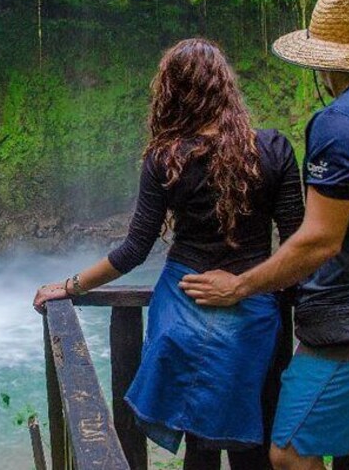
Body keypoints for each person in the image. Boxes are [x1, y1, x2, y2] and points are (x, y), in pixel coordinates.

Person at [179, 0, 349, 470]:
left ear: (321, 59)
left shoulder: (339, 123)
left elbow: (319, 239)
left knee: (290, 454)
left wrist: (241, 285)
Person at [33, 38, 304, 469]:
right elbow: (298, 244)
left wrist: (69, 286)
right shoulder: (273, 150)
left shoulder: (167, 158)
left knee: (198, 440)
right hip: (254, 307)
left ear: (172, 93)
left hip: (183, 308)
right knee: (255, 431)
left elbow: (134, 250)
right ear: (225, 88)